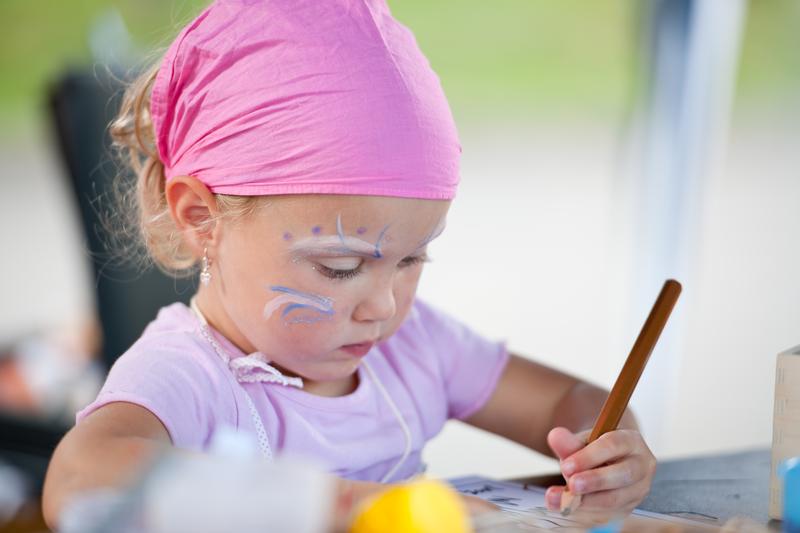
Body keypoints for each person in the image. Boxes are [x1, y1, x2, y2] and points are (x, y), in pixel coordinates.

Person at [42, 0, 656, 528]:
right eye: (339, 266)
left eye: (413, 258)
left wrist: (608, 449)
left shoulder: (412, 348)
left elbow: (568, 401)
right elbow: (77, 480)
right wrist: (345, 505)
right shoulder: (191, 376)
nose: (384, 306)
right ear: (201, 218)